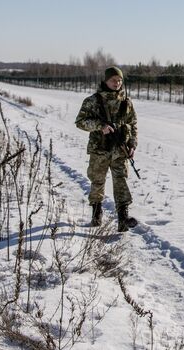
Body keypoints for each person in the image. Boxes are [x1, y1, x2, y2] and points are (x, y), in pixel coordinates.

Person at [76, 66, 138, 231]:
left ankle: (123, 218)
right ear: (105, 81)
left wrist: (132, 144)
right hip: (100, 149)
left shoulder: (126, 102)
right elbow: (80, 122)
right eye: (113, 80)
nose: (117, 83)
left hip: (120, 150)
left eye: (119, 80)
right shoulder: (93, 100)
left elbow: (133, 124)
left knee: (121, 181)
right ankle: (96, 213)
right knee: (97, 181)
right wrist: (99, 125)